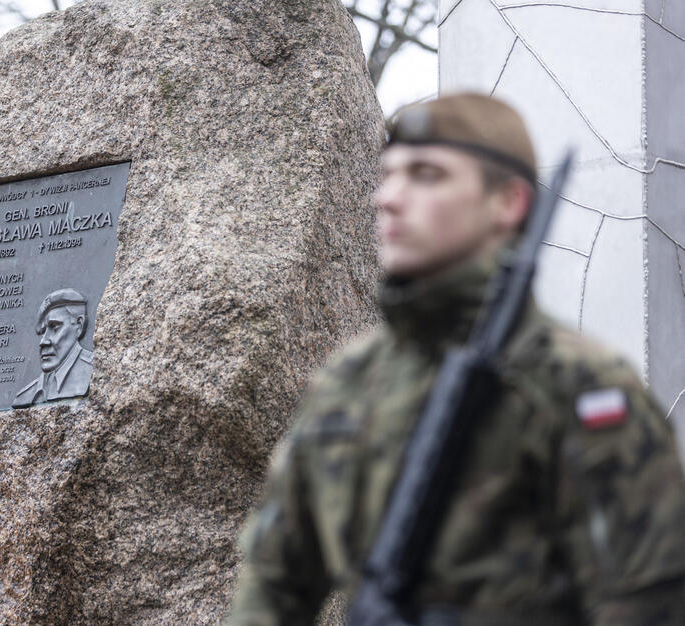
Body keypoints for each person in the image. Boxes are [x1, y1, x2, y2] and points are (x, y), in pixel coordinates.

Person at [228, 93, 685, 625]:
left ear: (508, 203)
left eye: (426, 175)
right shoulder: (348, 381)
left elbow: (648, 605)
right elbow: (271, 584)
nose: (389, 198)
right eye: (387, 175)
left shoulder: (581, 385)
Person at [13, 288, 93, 407]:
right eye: (44, 331)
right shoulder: (25, 396)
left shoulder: (96, 374)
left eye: (54, 327)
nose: (43, 341)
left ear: (79, 326)